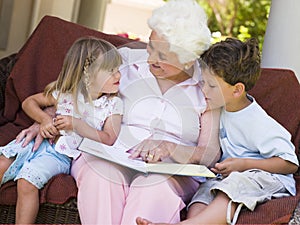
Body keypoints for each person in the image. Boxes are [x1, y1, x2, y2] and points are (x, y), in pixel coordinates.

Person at [14, 0, 221, 224]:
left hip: (169, 170)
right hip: (108, 152)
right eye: (151, 46)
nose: (151, 59)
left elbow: (210, 152)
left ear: (189, 59)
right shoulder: (125, 61)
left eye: (162, 56)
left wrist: (172, 147)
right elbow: (79, 93)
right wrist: (47, 119)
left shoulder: (208, 85)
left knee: (152, 190)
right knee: (100, 177)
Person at [136, 37, 299, 225]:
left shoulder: (256, 121)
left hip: (266, 177)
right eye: (203, 82)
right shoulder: (220, 107)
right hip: (227, 176)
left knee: (232, 186)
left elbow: (289, 163)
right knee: (202, 196)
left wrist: (244, 164)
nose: (203, 89)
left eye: (211, 85)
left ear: (237, 90)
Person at [0, 36, 123, 224]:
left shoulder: (112, 104)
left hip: (60, 155)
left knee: (27, 182)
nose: (118, 76)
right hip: (35, 143)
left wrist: (77, 125)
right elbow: (29, 102)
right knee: (0, 165)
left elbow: (109, 138)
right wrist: (44, 119)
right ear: (88, 74)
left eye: (118, 69)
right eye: (111, 71)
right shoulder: (65, 94)